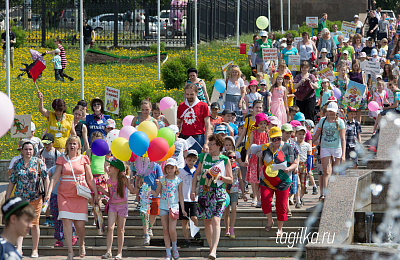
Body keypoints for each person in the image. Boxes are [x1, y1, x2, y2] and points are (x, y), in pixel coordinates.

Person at [45, 135, 99, 260]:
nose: (72, 146)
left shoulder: (84, 159)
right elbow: (55, 177)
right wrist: (48, 193)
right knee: (66, 221)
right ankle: (70, 251)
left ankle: (81, 243)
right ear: (67, 146)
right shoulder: (61, 159)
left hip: (80, 194)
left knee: (80, 224)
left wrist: (95, 193)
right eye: (70, 143)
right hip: (64, 194)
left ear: (79, 145)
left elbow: (90, 178)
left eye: (75, 143)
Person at [190, 134, 233, 260]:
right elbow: (196, 175)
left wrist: (220, 177)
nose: (209, 146)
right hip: (204, 191)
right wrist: (193, 190)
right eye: (209, 144)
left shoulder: (225, 159)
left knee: (216, 220)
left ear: (219, 145)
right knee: (207, 221)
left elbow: (230, 179)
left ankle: (214, 250)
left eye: (212, 144)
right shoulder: (203, 157)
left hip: (219, 191)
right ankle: (211, 248)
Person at [5, 140, 49, 258]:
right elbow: (12, 180)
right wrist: (7, 196)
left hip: (35, 197)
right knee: (20, 222)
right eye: (26, 149)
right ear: (22, 151)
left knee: (34, 224)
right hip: (20, 198)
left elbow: (46, 178)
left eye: (30, 149)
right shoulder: (17, 163)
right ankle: (19, 248)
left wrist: (47, 194)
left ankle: (35, 249)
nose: (28, 151)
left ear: (33, 151)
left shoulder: (39, 162)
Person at [260, 127, 298, 236]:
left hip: (283, 180)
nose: (276, 141)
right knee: (265, 201)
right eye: (274, 139)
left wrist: (289, 169)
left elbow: (295, 163)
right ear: (270, 139)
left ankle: (280, 228)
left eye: (278, 138)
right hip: (266, 179)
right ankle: (269, 220)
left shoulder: (287, 147)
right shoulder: (265, 148)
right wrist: (259, 156)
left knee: (281, 205)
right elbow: (260, 164)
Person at [98, 158, 134, 260]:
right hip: (113, 206)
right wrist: (103, 191)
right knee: (110, 228)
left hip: (122, 206)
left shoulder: (123, 179)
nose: (109, 168)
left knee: (120, 229)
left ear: (117, 169)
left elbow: (132, 190)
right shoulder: (109, 180)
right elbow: (110, 194)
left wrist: (139, 185)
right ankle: (108, 251)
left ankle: (119, 252)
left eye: (111, 167)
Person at [312, 102, 346, 201]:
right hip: (325, 147)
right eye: (329, 111)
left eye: (332, 112)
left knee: (335, 172)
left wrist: (343, 154)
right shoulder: (322, 121)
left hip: (336, 148)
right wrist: (311, 142)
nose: (330, 113)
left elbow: (343, 139)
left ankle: (334, 192)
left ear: (336, 112)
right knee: (326, 171)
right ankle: (324, 194)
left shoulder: (340, 122)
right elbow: (316, 135)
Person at [153, 158, 185, 260]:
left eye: (172, 167)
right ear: (165, 169)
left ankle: (174, 248)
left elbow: (180, 196)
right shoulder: (162, 180)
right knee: (165, 230)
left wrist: (183, 209)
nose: (170, 170)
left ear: (175, 168)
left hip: (174, 207)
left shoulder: (178, 181)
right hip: (163, 206)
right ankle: (168, 253)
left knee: (172, 229)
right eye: (168, 168)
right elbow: (156, 193)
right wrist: (147, 189)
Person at [132, 161, 163, 245]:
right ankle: (146, 234)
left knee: (154, 213)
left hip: (155, 193)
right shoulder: (140, 166)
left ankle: (150, 228)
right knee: (145, 214)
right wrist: (137, 192)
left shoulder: (156, 166)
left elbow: (161, 177)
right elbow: (137, 179)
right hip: (144, 194)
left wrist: (159, 181)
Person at [177, 84, 211, 154]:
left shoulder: (203, 106)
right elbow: (178, 123)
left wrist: (206, 142)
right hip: (184, 137)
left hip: (198, 138)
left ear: (196, 93)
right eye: (187, 94)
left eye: (191, 94)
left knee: (197, 160)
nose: (189, 97)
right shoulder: (181, 106)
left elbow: (207, 125)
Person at [245, 113, 269, 208]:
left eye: (264, 123)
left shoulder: (267, 133)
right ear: (257, 124)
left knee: (263, 179)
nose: (263, 125)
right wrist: (247, 157)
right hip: (255, 158)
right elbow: (251, 145)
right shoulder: (253, 133)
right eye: (261, 123)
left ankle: (261, 198)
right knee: (254, 179)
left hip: (265, 158)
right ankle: (254, 197)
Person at [178, 150, 201, 248]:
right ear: (186, 160)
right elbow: (179, 186)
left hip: (194, 199)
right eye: (189, 159)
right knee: (184, 221)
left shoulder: (198, 171)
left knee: (194, 217)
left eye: (193, 160)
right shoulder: (181, 171)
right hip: (184, 198)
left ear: (196, 161)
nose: (191, 162)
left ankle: (196, 232)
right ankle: (186, 239)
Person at [223, 150, 247, 238]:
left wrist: (243, 193)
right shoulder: (224, 168)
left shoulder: (237, 168)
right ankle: (227, 229)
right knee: (226, 211)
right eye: (230, 157)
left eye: (234, 157)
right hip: (226, 191)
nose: (232, 159)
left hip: (235, 191)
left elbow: (240, 180)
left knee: (234, 208)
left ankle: (232, 228)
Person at [294, 126, 312, 208]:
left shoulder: (307, 145)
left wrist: (309, 169)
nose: (301, 136)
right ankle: (297, 200)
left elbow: (309, 157)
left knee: (304, 185)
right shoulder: (293, 144)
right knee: (297, 184)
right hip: (296, 165)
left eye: (303, 134)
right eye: (299, 134)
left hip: (304, 165)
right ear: (296, 134)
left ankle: (300, 198)